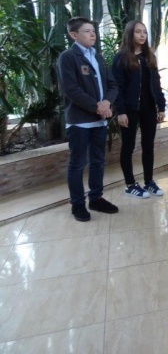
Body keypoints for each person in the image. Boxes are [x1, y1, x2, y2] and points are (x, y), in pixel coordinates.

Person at [57, 17, 119, 222]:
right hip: (80, 122)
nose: (93, 34)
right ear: (74, 35)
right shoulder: (67, 57)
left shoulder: (97, 56)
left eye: (93, 30)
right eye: (87, 31)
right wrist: (97, 107)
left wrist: (106, 103)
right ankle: (77, 204)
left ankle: (96, 198)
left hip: (100, 120)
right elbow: (71, 89)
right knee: (77, 164)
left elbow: (112, 85)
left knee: (98, 161)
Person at [112, 20, 166, 199]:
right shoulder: (121, 58)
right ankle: (130, 184)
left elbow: (156, 84)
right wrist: (121, 111)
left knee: (148, 145)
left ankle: (149, 181)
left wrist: (161, 106)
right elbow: (118, 87)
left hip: (149, 108)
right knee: (128, 147)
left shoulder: (149, 56)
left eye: (144, 32)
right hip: (129, 110)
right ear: (130, 34)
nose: (142, 35)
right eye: (138, 32)